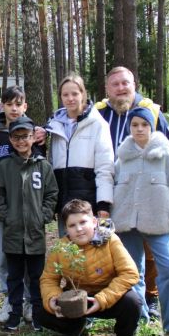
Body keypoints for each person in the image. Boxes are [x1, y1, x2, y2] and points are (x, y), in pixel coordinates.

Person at [96, 66, 169, 320]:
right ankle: (136, 312)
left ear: (134, 84)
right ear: (107, 89)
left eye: (126, 83)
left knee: (156, 253)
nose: (121, 88)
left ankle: (155, 300)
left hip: (150, 194)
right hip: (116, 194)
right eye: (115, 84)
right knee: (127, 258)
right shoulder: (99, 113)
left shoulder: (151, 112)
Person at [110, 107, 169, 336]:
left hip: (158, 223)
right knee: (132, 273)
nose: (139, 129)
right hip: (127, 224)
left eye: (144, 125)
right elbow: (112, 184)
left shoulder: (164, 154)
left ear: (152, 127)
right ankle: (136, 320)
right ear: (130, 127)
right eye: (135, 125)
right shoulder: (122, 156)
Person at [36, 199, 142, 336]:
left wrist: (102, 299)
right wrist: (52, 299)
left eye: (83, 222)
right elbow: (49, 279)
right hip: (76, 301)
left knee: (133, 302)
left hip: (108, 298)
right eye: (72, 225)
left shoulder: (110, 240)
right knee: (41, 312)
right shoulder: (61, 248)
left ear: (93, 221)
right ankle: (75, 327)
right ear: (66, 228)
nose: (79, 229)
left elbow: (130, 273)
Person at [0, 117, 58, 332]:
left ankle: (38, 314)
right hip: (13, 233)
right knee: (15, 276)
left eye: (26, 137)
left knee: (37, 276)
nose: (21, 141)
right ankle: (15, 313)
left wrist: (43, 215)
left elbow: (52, 193)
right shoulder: (5, 166)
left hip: (35, 233)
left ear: (33, 138)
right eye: (17, 137)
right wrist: (5, 215)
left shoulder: (43, 166)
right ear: (11, 139)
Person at [0, 85, 43, 323]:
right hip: (3, 210)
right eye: (9, 104)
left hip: (29, 210)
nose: (14, 108)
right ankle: (10, 299)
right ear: (2, 106)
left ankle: (28, 301)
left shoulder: (34, 134)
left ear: (25, 106)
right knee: (6, 256)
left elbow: (42, 171)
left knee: (30, 256)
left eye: (19, 104)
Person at [46, 73, 115, 236]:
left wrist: (103, 204)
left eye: (75, 93)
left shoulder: (97, 124)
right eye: (65, 94)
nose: (70, 98)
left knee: (94, 255)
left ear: (83, 94)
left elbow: (105, 166)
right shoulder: (55, 127)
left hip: (89, 205)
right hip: (65, 206)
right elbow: (51, 165)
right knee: (68, 255)